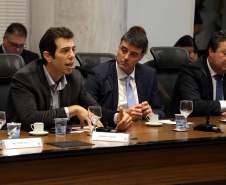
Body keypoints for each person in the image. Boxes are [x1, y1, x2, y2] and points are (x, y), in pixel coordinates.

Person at [6, 27, 132, 131]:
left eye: (73, 49)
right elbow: (30, 120)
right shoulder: (24, 78)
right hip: (23, 145)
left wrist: (117, 117)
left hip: (61, 142)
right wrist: (73, 110)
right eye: (65, 51)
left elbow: (94, 110)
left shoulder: (75, 77)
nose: (72, 56)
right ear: (48, 56)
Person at [85, 30, 165, 121]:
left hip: (142, 130)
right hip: (113, 130)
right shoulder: (98, 74)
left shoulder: (149, 74)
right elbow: (89, 111)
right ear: (118, 48)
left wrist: (150, 114)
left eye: (133, 54)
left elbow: (160, 110)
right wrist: (119, 116)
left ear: (141, 57)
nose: (126, 57)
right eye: (123, 50)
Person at [169, 30, 226, 118]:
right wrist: (224, 105)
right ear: (211, 51)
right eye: (225, 54)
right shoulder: (191, 70)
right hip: (188, 126)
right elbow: (193, 105)